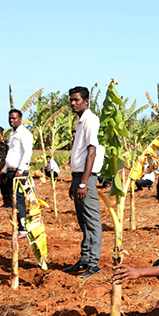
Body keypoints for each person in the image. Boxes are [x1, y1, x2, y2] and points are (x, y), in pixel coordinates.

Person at [64, 86, 102, 279]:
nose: (73, 103)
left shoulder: (90, 120)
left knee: (92, 221)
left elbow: (92, 151)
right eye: (71, 100)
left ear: (86, 101)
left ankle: (94, 263)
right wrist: (75, 181)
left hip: (86, 178)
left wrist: (83, 183)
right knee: (83, 221)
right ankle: (85, 259)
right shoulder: (80, 122)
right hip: (78, 176)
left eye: (76, 100)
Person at [0, 109, 33, 239]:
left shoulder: (24, 133)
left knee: (18, 199)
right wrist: (5, 170)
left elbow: (27, 152)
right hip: (11, 170)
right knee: (13, 199)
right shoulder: (12, 134)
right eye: (10, 118)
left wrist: (20, 170)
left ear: (20, 118)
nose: (11, 120)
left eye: (14, 118)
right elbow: (11, 153)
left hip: (19, 172)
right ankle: (18, 227)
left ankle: (23, 230)